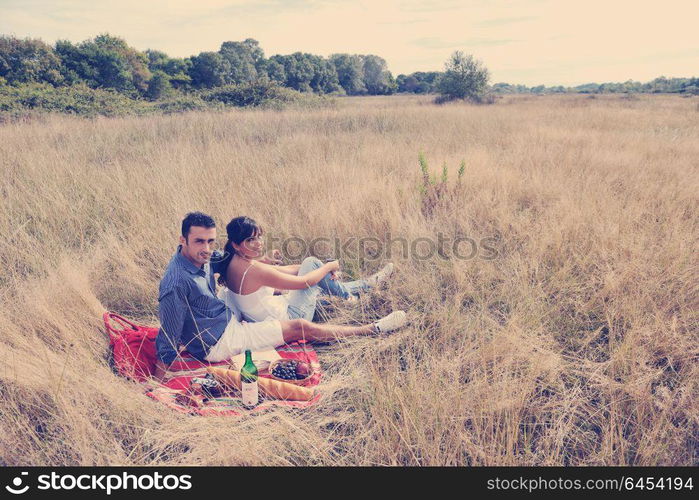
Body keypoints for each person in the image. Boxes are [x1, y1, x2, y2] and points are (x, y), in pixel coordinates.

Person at [153, 212, 406, 381]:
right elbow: (168, 335)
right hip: (219, 341)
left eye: (210, 241)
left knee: (303, 285)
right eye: (199, 241)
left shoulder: (208, 258)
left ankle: (360, 288)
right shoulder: (175, 283)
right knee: (299, 326)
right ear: (182, 240)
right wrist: (158, 382)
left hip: (227, 315)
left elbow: (233, 260)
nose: (206, 249)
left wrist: (263, 261)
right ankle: (372, 329)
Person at [217, 216, 395, 323]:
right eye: (250, 240)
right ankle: (351, 298)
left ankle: (368, 284)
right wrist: (329, 266)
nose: (259, 243)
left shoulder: (233, 262)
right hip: (291, 317)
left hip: (274, 313)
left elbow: (289, 270)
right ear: (236, 244)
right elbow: (304, 283)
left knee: (316, 276)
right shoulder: (253, 270)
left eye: (259, 237)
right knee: (312, 264)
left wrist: (320, 270)